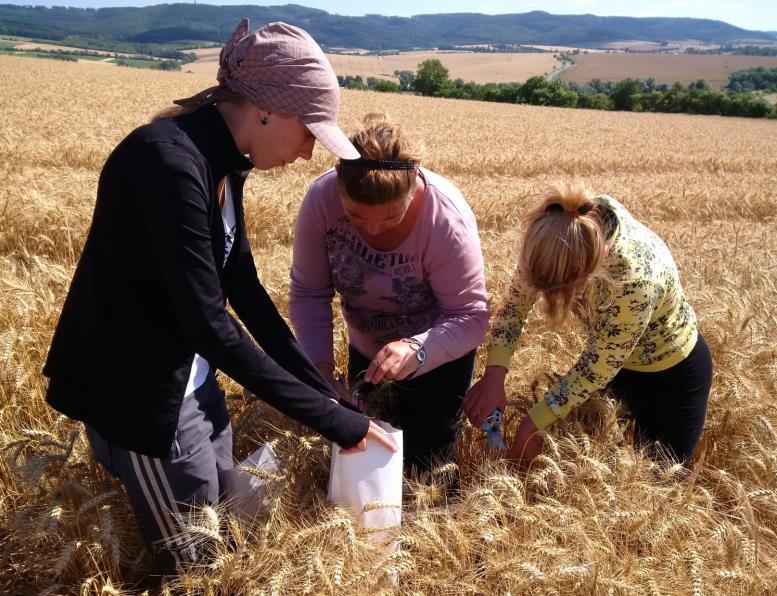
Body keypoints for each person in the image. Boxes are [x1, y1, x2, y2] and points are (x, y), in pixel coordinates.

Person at [42, 19, 394, 579]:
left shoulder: (227, 164)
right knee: (191, 565)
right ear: (266, 109)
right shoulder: (167, 162)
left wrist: (321, 387)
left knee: (224, 518)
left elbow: (246, 291)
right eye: (309, 132)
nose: (307, 155)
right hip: (144, 399)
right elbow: (207, 321)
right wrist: (331, 421)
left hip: (194, 383)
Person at [289, 113, 490, 480]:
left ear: (413, 186)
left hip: (439, 354)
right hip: (367, 352)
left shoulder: (445, 220)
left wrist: (418, 348)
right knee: (366, 461)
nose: (373, 229)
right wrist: (319, 370)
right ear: (339, 186)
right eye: (356, 216)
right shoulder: (321, 201)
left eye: (390, 217)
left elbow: (471, 315)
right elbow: (308, 293)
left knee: (428, 465)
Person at [464, 182, 712, 465]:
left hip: (671, 376)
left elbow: (597, 367)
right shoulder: (552, 235)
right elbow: (514, 308)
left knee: (659, 481)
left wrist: (531, 426)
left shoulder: (634, 278)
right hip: (611, 365)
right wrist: (494, 377)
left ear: (598, 264)